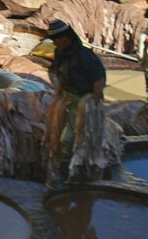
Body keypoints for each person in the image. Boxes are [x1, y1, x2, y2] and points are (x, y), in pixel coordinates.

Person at [42, 20, 108, 188]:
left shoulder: (84, 55)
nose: (55, 43)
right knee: (55, 134)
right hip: (67, 97)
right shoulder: (60, 52)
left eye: (57, 39)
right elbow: (60, 72)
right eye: (53, 40)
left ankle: (66, 176)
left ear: (67, 37)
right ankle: (59, 170)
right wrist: (58, 93)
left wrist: (94, 103)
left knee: (68, 139)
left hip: (82, 100)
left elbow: (99, 78)